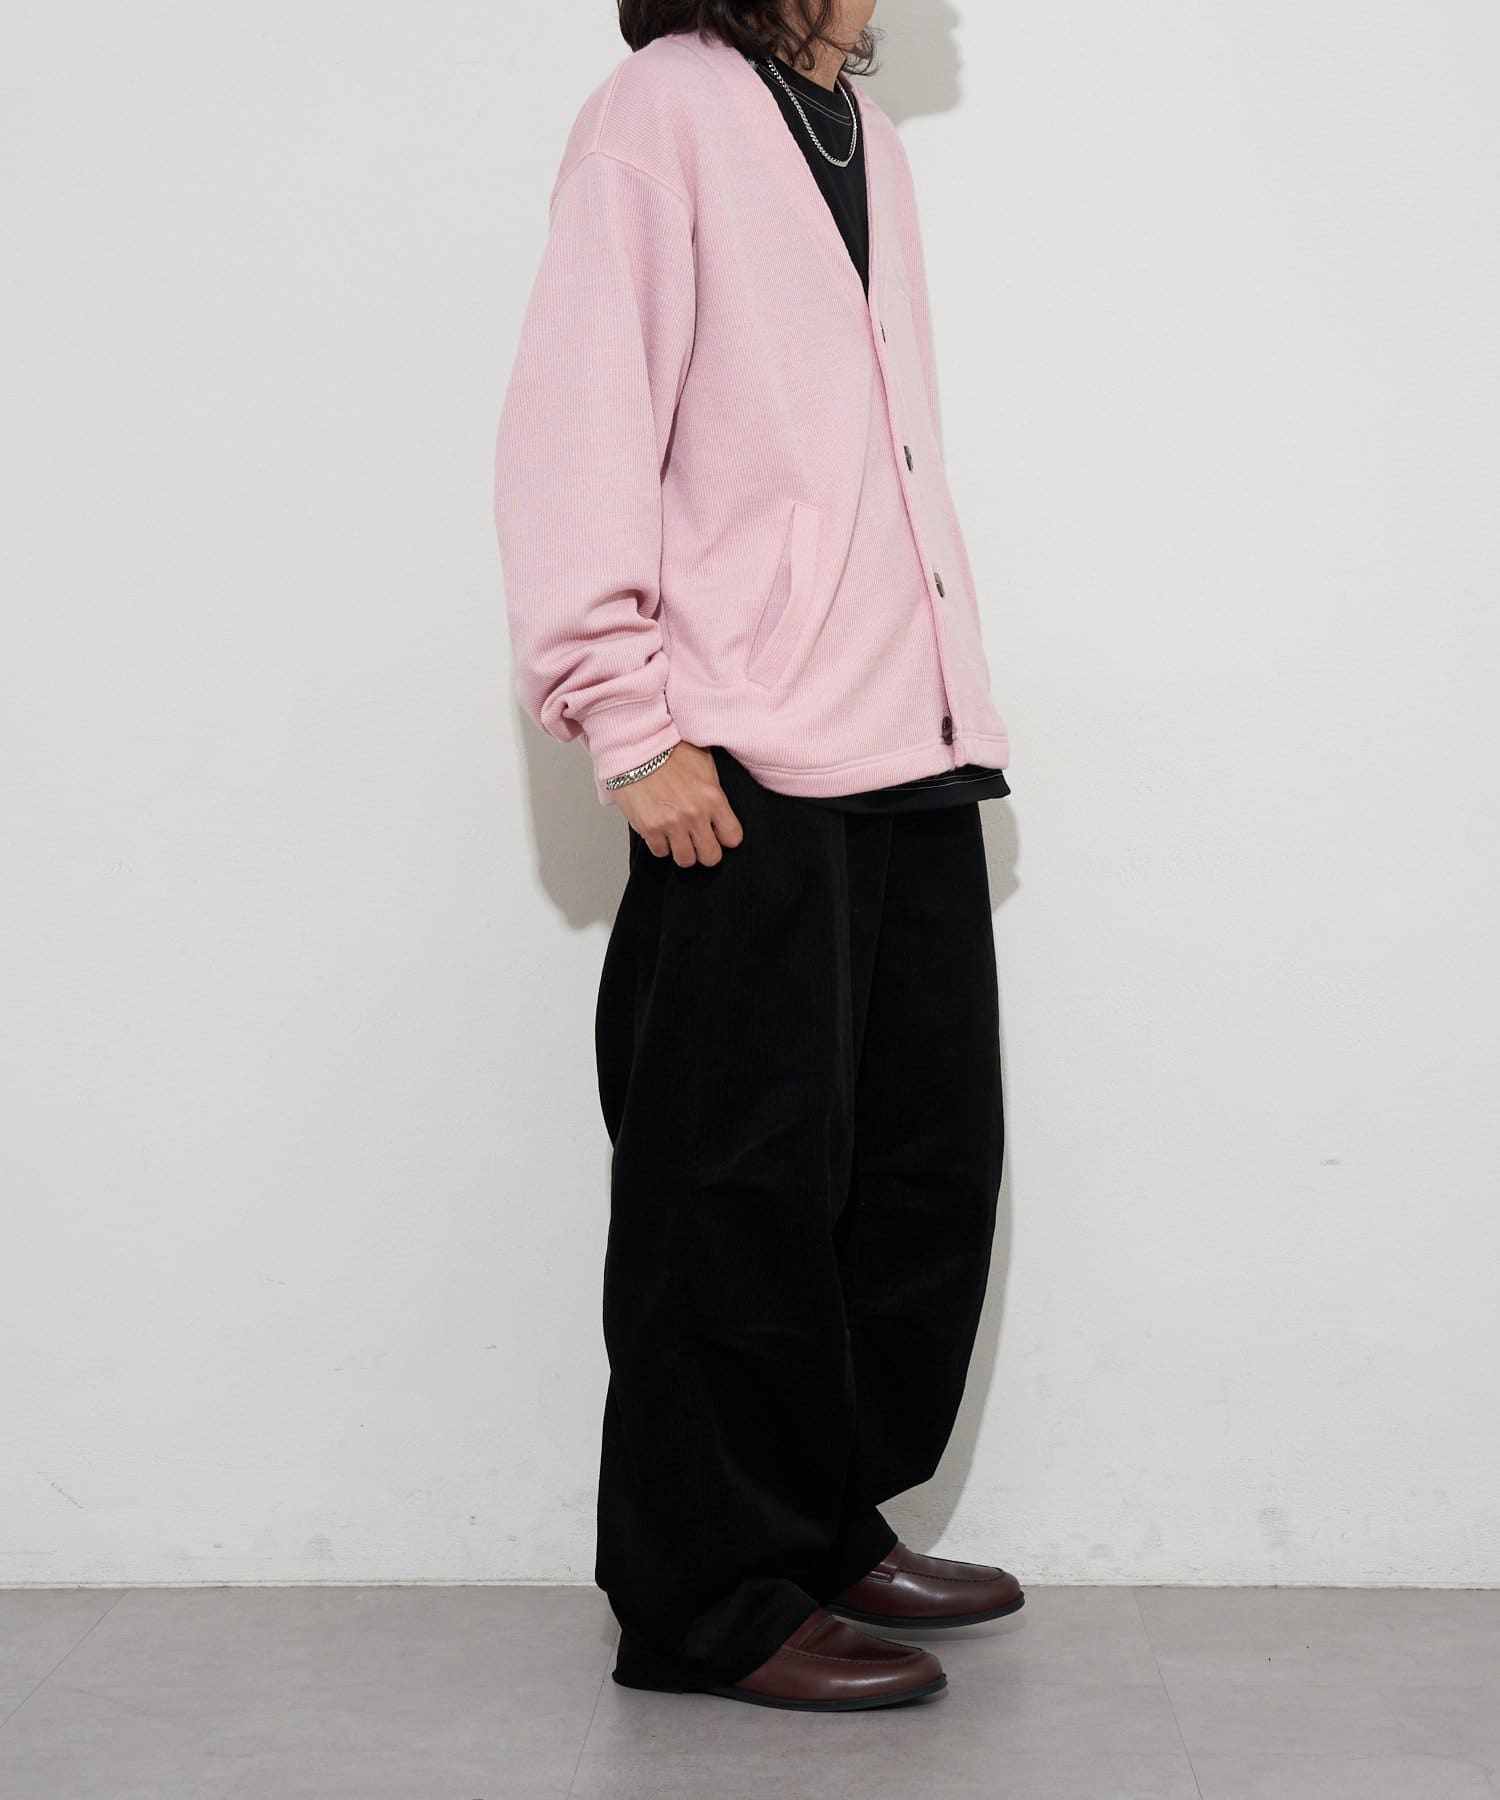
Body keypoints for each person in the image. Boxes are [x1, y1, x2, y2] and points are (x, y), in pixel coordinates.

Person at [495, 0, 1021, 1713]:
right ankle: (708, 1599)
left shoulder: (860, 132)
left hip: (906, 739)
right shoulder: (662, 112)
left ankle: (813, 1528)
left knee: (917, 1176)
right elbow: (579, 413)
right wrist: (625, 717)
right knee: (731, 1195)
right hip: (740, 754)